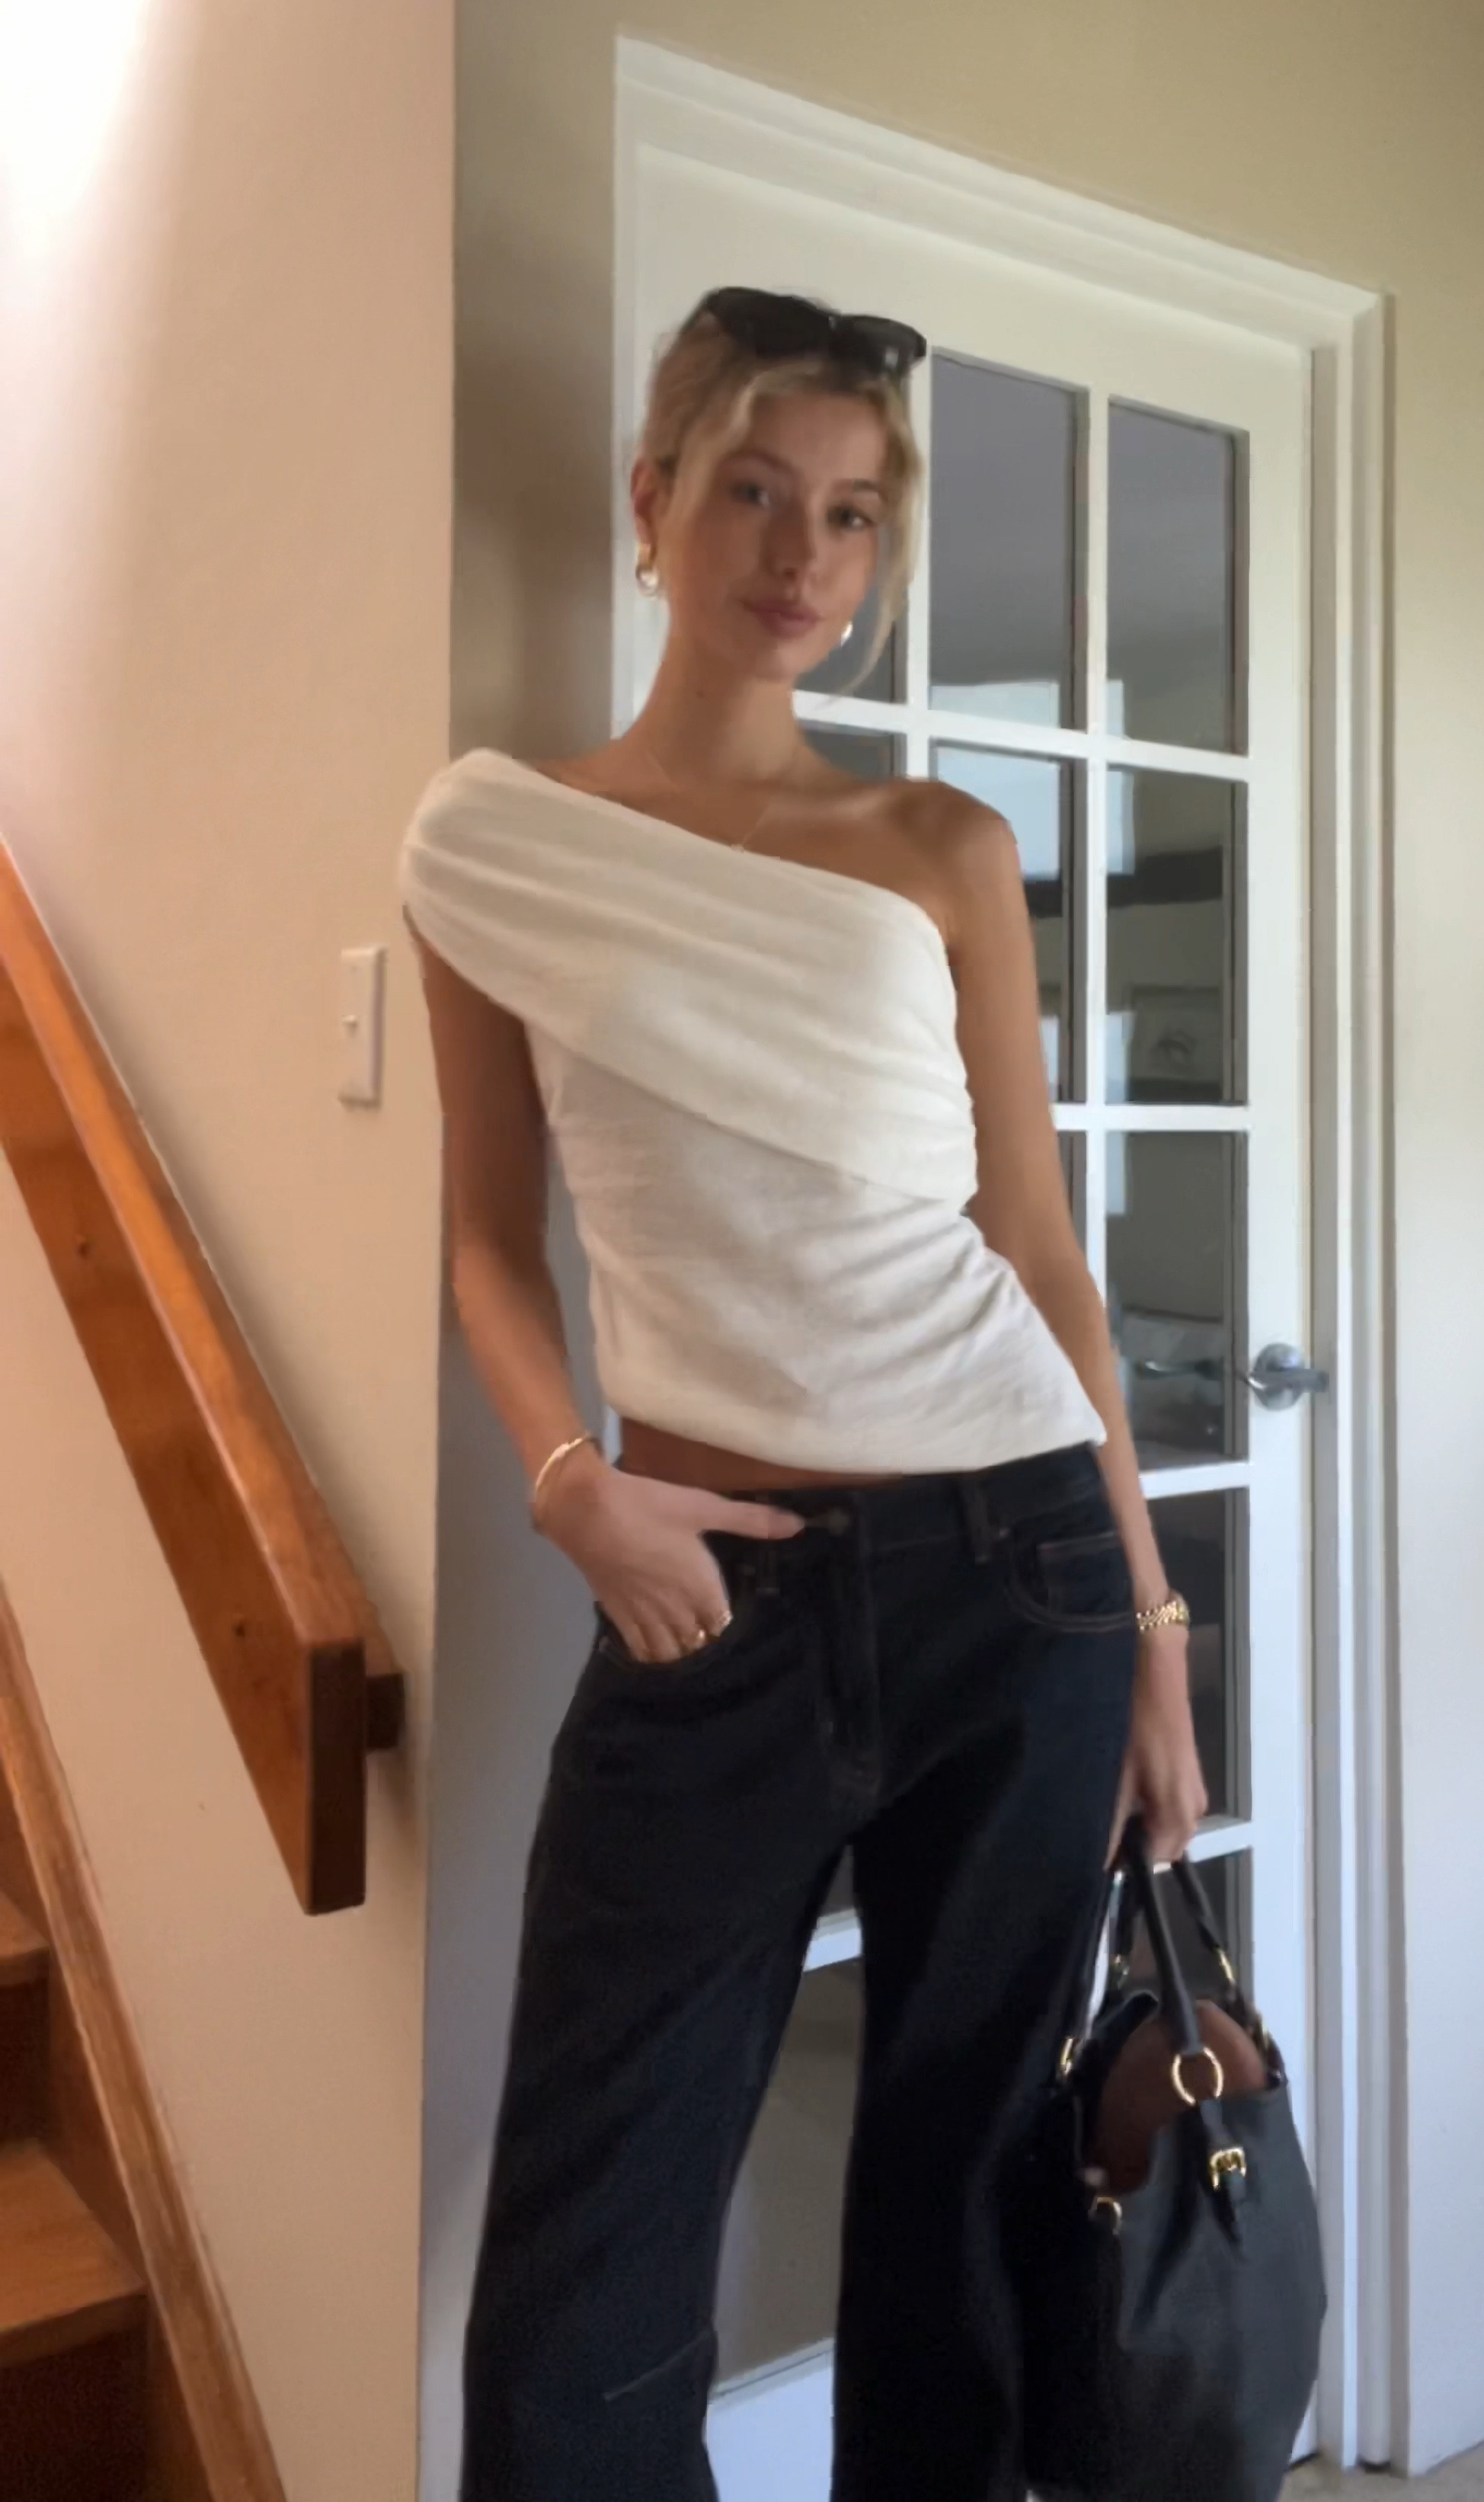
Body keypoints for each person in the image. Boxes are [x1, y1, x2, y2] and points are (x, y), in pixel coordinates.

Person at [398, 285, 1207, 2502]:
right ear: (652, 501)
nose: (801, 551)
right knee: (583, 2262)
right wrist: (570, 1483)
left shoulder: (941, 850)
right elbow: (486, 1241)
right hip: (706, 1598)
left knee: (962, 2203)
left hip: (1016, 1569)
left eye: (852, 513)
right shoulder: (499, 843)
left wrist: (1151, 1634)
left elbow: (1039, 1252)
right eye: (754, 489)